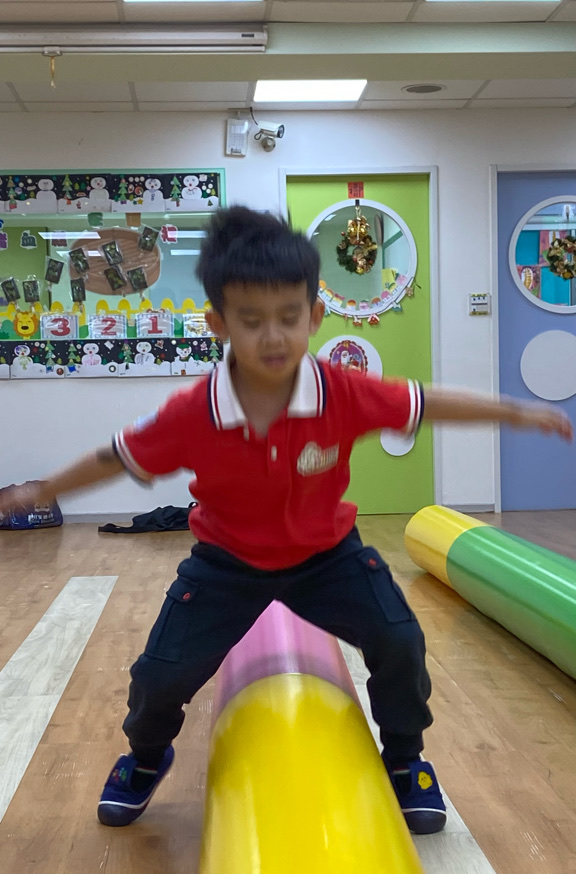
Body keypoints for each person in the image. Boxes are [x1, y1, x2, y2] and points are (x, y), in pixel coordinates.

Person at [1, 207, 571, 836]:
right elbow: (116, 456)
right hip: (226, 564)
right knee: (158, 675)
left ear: (315, 315)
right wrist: (42, 489)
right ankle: (145, 757)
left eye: (288, 317)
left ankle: (405, 760)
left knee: (401, 641)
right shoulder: (194, 412)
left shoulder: (342, 392)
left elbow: (425, 401)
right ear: (218, 324)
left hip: (329, 557)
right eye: (251, 321)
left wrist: (514, 412)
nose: (272, 337)